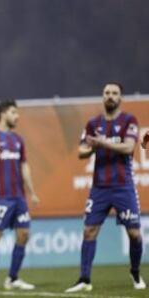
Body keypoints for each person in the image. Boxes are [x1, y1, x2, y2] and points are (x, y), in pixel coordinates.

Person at [65, 82, 146, 293]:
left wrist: (102, 143)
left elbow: (129, 147)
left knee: (135, 234)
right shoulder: (93, 123)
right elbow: (81, 151)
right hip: (99, 188)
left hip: (123, 186)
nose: (110, 96)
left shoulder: (129, 120)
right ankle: (84, 279)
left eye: (115, 93)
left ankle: (135, 271)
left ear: (121, 98)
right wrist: (93, 146)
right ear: (103, 97)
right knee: (89, 231)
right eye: (107, 93)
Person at [0, 100, 40, 293]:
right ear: (3, 113)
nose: (17, 116)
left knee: (24, 234)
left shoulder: (18, 140)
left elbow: (24, 166)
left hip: (18, 197)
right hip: (0, 196)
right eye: (14, 112)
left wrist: (32, 191)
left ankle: (12, 278)